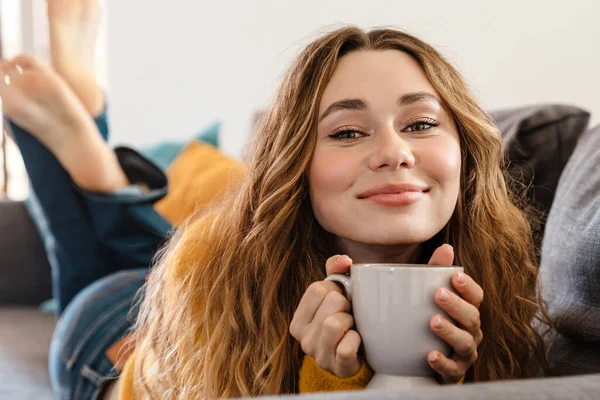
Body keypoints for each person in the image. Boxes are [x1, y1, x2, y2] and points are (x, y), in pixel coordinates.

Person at [0, 2, 550, 399]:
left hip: (169, 279)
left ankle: (91, 149)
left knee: (138, 252)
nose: (394, 152)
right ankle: (91, 153)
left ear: (466, 152)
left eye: (422, 122)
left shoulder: (496, 273)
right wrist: (328, 381)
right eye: (347, 133)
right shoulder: (213, 272)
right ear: (296, 168)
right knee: (84, 274)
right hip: (110, 339)